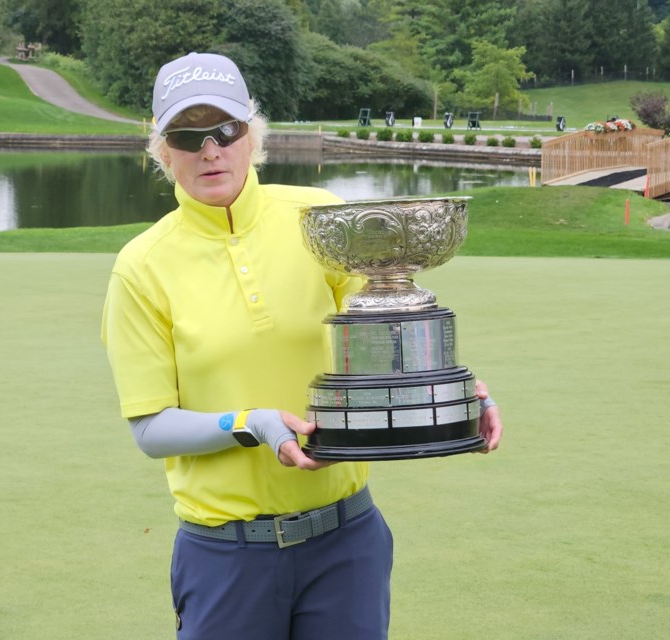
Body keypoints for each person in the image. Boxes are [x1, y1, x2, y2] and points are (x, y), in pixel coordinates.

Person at [100, 51, 503, 640]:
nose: (210, 150)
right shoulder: (141, 267)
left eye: (225, 130)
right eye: (187, 136)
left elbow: (381, 335)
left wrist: (448, 395)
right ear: (163, 151)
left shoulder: (320, 219)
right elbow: (150, 429)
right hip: (226, 555)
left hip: (346, 543)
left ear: (251, 135)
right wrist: (255, 423)